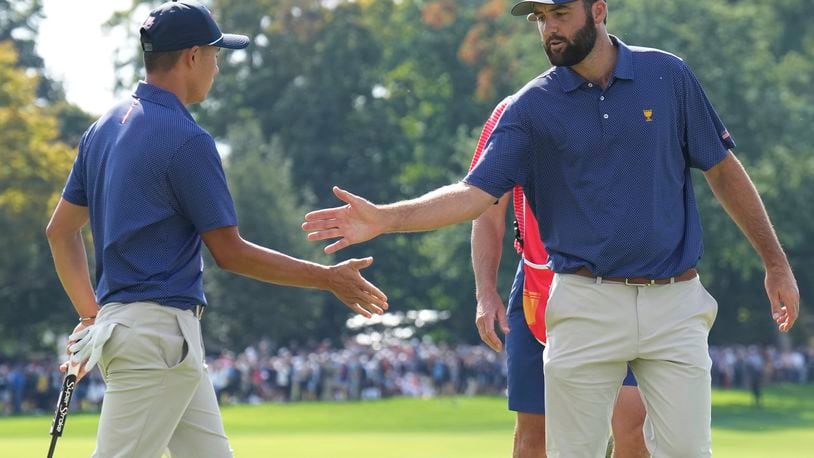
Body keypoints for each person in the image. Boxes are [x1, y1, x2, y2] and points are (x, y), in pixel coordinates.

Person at [301, 0, 800, 456]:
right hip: (584, 304)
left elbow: (724, 170)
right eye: (540, 18)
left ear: (598, 10)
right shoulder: (529, 108)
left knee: (690, 453)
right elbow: (475, 196)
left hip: (676, 302)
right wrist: (387, 217)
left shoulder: (668, 76)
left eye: (560, 13)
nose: (549, 29)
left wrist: (775, 264)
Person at [45, 2, 387, 457]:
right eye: (214, 54)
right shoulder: (187, 139)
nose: (217, 65)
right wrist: (328, 278)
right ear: (191, 57)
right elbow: (230, 253)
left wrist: (93, 316)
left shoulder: (102, 127)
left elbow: (60, 231)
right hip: (158, 337)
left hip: (150, 335)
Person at [470, 98, 646, 457]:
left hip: (619, 285)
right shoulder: (513, 112)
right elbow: (485, 210)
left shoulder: (632, 102)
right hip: (538, 287)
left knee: (633, 426)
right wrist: (485, 290)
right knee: (533, 438)